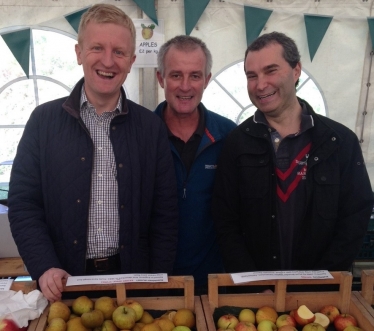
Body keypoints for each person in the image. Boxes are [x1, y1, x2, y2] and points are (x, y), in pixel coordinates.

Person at [8, 4, 178, 302]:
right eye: (97, 47)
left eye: (119, 52)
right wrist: (44, 265)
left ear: (132, 61)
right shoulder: (43, 122)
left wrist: (156, 280)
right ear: (78, 53)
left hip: (135, 284)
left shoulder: (150, 127)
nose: (108, 61)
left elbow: (165, 213)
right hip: (62, 285)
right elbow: (24, 204)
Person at [212, 31, 374, 278]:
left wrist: (324, 278)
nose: (260, 84)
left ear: (296, 70)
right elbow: (225, 220)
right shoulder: (237, 143)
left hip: (322, 295)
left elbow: (355, 216)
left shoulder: (339, 141)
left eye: (271, 70)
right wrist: (251, 280)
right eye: (251, 76)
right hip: (256, 296)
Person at [154, 35, 236, 294]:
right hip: (153, 282)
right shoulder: (141, 135)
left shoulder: (229, 136)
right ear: (160, 79)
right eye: (176, 75)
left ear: (207, 80)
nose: (186, 86)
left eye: (195, 76)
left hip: (213, 283)